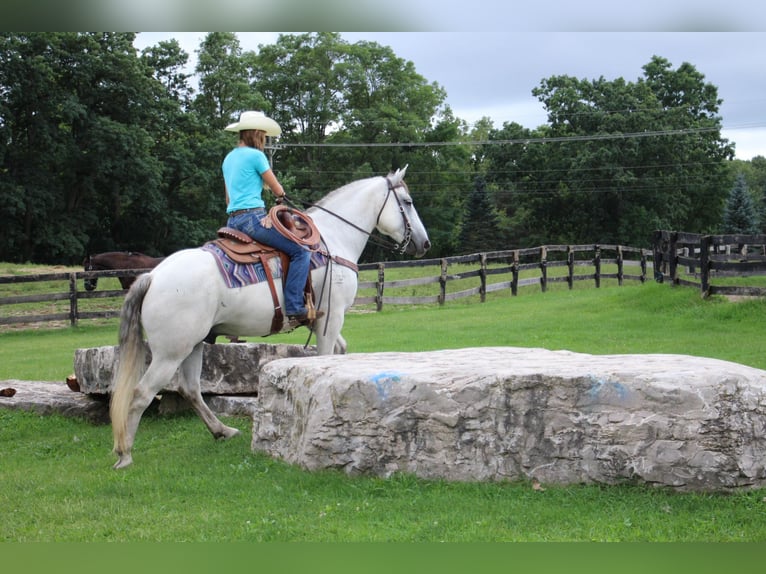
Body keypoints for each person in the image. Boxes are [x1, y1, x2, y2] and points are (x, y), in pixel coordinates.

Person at [222, 111, 313, 324]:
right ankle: (293, 305)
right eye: (262, 135)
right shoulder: (256, 156)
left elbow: (228, 199)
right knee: (300, 251)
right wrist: (280, 196)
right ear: (255, 134)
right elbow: (276, 188)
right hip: (252, 220)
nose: (263, 139)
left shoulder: (228, 158)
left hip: (232, 222)